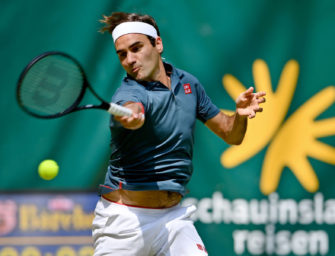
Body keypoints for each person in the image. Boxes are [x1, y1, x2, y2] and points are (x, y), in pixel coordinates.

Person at [92, 12, 266, 256]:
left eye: (136, 48)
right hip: (125, 222)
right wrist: (131, 116)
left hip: (173, 219)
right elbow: (132, 108)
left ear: (158, 44)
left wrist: (240, 114)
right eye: (122, 54)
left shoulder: (189, 84)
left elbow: (231, 135)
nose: (130, 59)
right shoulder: (129, 93)